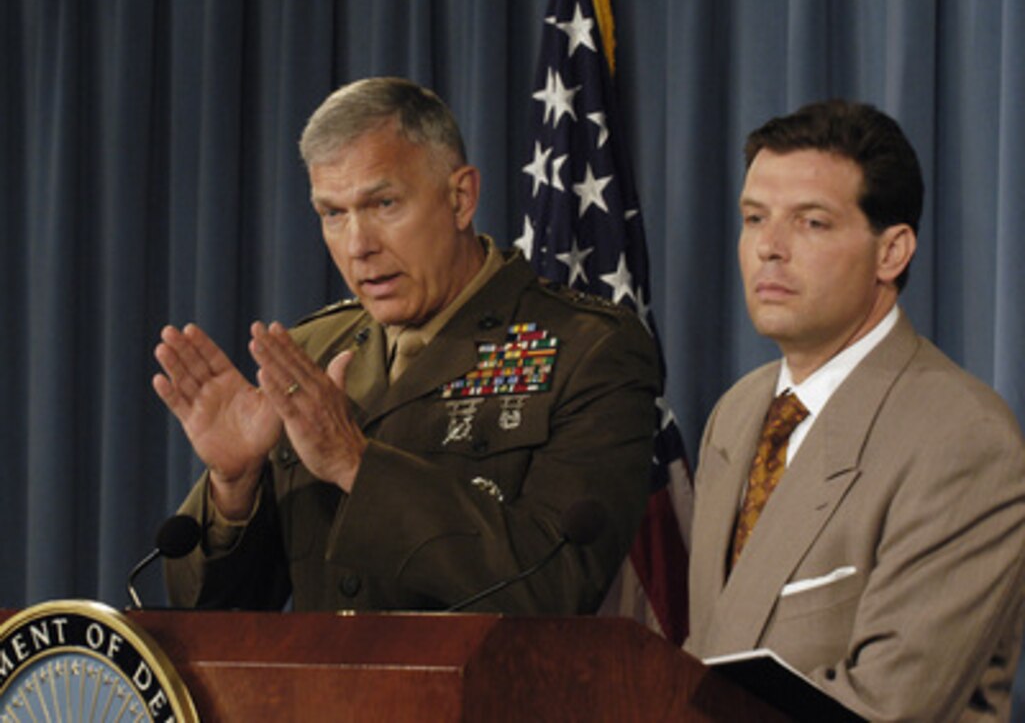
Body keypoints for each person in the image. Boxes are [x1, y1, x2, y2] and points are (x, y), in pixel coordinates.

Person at [153, 76, 659, 614]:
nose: (358, 246)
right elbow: (208, 610)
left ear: (460, 198)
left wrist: (355, 463)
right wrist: (235, 487)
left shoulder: (589, 350)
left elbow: (556, 582)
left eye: (384, 203)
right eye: (333, 214)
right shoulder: (310, 351)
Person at [684, 100, 1025, 721]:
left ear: (891, 252)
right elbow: (704, 663)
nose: (769, 248)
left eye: (811, 223)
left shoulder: (963, 438)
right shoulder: (736, 414)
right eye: (754, 218)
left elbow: (887, 707)